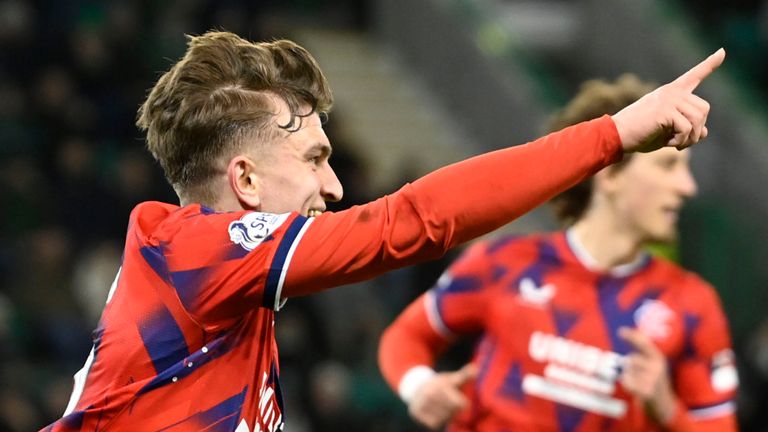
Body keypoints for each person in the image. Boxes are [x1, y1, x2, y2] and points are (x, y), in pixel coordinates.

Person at [43, 29, 724, 431]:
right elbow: (413, 224)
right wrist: (614, 133)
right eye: (315, 158)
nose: (335, 187)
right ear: (244, 180)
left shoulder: (230, 313)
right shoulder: (184, 250)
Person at [377, 74, 739, 432]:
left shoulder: (692, 303)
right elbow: (406, 337)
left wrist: (667, 409)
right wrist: (420, 386)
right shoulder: (504, 263)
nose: (687, 188)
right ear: (610, 175)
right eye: (668, 166)